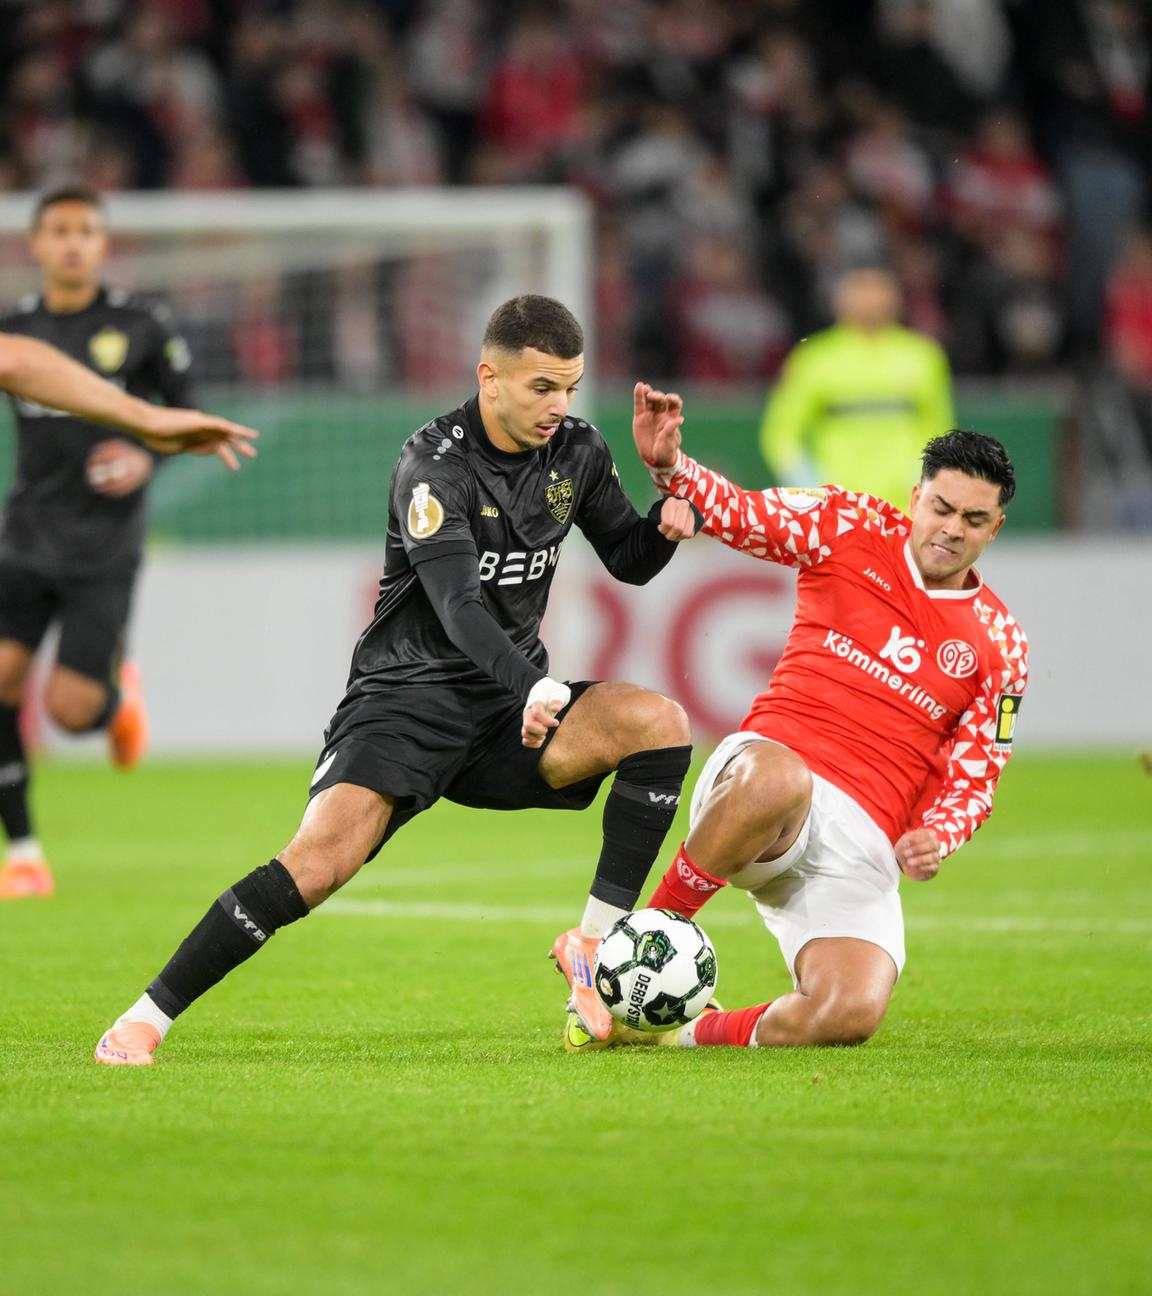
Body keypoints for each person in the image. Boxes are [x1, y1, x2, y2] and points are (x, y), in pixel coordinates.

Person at [93, 293, 700, 1066]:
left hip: (506, 717)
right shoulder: (432, 465)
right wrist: (533, 683)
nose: (561, 406)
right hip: (403, 702)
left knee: (659, 722)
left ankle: (594, 947)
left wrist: (668, 503)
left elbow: (632, 562)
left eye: (571, 388)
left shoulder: (575, 452)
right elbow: (456, 606)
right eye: (543, 387)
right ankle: (143, 1018)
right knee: (316, 866)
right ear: (490, 377)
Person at [567, 410, 1027, 1052]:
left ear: (995, 527)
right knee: (782, 778)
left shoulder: (1000, 641)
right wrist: (673, 469)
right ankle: (639, 942)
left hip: (862, 840)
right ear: (917, 495)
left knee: (848, 1014)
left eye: (974, 520)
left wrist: (938, 835)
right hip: (765, 785)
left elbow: (977, 775)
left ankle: (668, 1035)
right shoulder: (850, 523)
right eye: (942, 508)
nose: (951, 531)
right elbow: (742, 513)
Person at [0, 186, 203, 898]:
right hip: (24, 537)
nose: (74, 242)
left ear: (103, 242)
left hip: (103, 548)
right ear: (38, 244)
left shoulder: (138, 322)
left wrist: (148, 455)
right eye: (59, 230)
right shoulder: (15, 330)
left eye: (87, 229)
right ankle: (23, 852)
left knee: (69, 712)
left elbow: (188, 410)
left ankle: (117, 703)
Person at [759, 266, 954, 510]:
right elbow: (781, 434)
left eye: (878, 291)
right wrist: (811, 486)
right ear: (839, 301)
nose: (870, 301)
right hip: (838, 510)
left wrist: (921, 481)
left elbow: (939, 428)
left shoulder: (923, 357)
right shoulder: (814, 359)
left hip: (905, 508)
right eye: (860, 291)